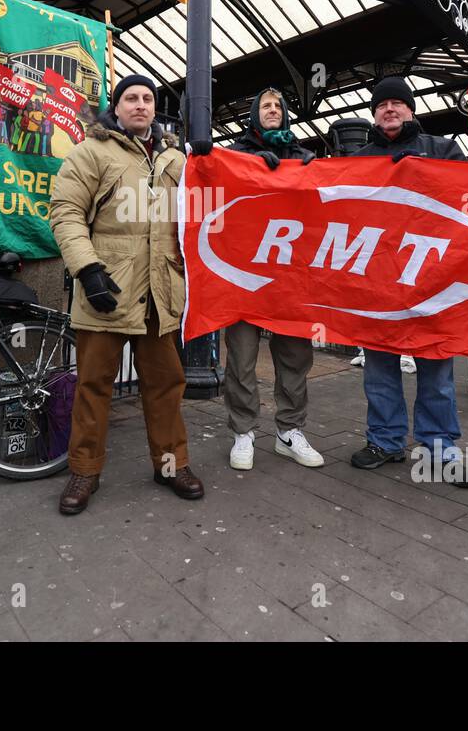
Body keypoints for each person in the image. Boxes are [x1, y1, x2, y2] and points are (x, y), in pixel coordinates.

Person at [49, 74, 201, 514]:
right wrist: (87, 269)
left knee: (166, 384)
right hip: (107, 289)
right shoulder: (91, 152)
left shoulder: (175, 159)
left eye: (147, 99)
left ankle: (171, 465)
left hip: (158, 290)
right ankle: (84, 472)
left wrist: (261, 164)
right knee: (94, 385)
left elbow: (210, 194)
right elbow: (66, 211)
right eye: (130, 98)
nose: (139, 105)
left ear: (155, 108)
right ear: (115, 108)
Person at [347, 77, 468, 486]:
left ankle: (439, 444)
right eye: (382, 104)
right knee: (379, 366)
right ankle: (385, 440)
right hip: (377, 283)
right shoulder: (359, 158)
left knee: (435, 366)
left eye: (397, 103)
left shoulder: (443, 150)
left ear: (410, 109)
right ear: (374, 113)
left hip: (431, 281)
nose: (390, 109)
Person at [192, 88, 322, 471]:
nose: (272, 111)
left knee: (295, 358)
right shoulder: (235, 153)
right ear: (254, 113)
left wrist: (308, 173)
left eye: (278, 106)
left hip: (292, 278)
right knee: (243, 359)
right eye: (265, 105)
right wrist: (247, 165)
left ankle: (289, 431)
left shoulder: (305, 156)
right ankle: (243, 432)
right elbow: (209, 185)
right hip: (244, 277)